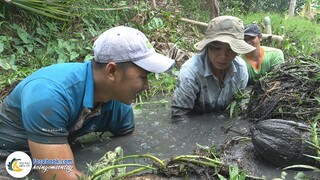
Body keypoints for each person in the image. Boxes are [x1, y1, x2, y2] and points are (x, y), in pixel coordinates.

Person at [0, 26, 175, 179]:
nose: (147, 87)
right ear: (112, 71)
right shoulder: (49, 95)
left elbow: (130, 141)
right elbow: (59, 177)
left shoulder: (116, 102)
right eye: (143, 77)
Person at [171, 16, 255, 118]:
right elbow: (179, 117)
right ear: (207, 47)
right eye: (216, 48)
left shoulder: (241, 69)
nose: (223, 56)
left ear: (237, 51)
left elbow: (237, 106)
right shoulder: (190, 73)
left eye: (231, 49)